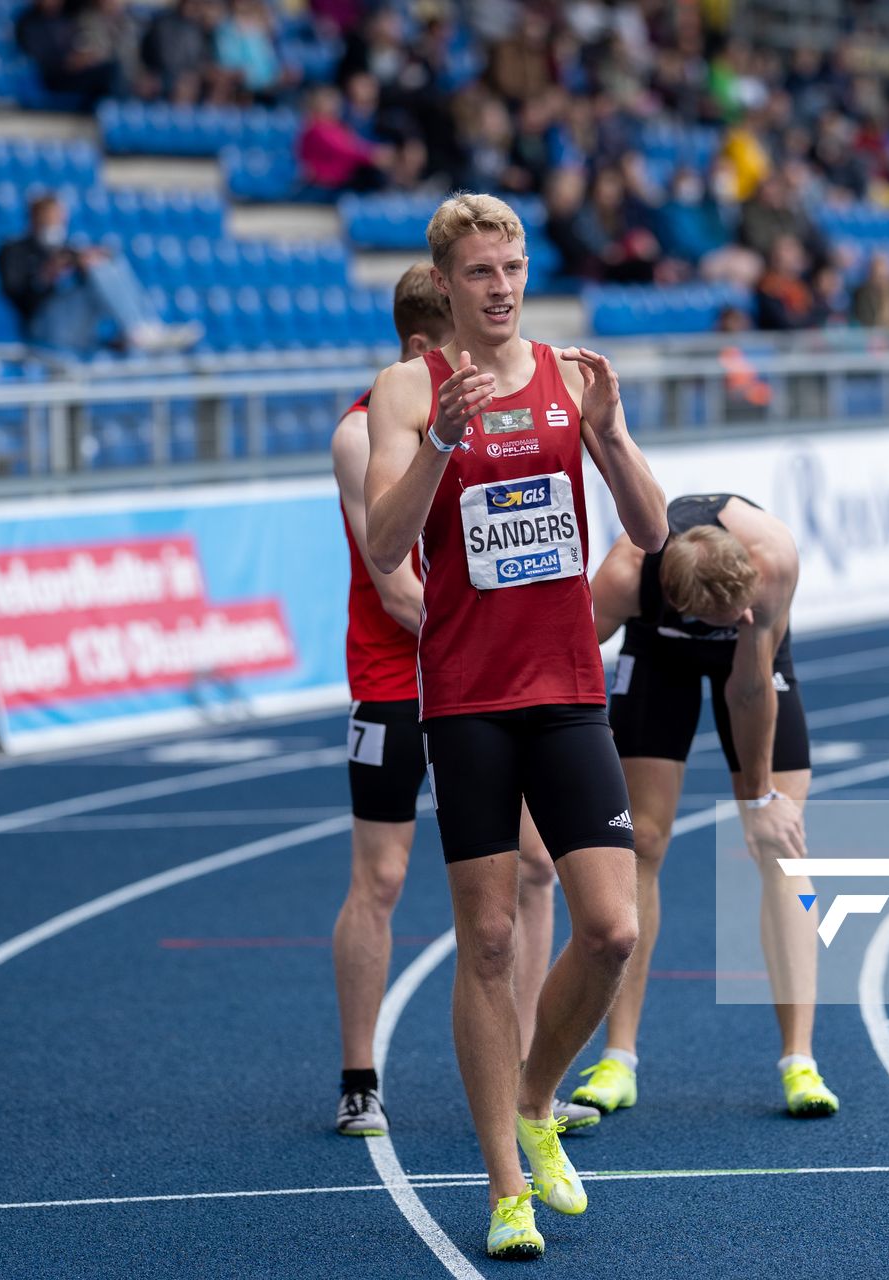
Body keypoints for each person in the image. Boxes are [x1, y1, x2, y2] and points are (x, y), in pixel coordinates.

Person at [361, 193, 667, 1261]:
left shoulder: (573, 375)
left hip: (568, 680)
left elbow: (652, 528)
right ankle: (502, 1186)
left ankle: (537, 1098)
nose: (501, 285)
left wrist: (612, 436)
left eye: (515, 265)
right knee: (489, 937)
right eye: (481, 271)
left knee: (612, 925)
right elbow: (386, 546)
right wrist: (439, 444)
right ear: (443, 284)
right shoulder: (408, 388)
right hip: (468, 694)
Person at [327, 263, 597, 1141]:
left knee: (537, 869)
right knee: (384, 877)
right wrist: (477, 641)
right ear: (421, 345)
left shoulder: (506, 397)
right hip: (396, 676)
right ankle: (360, 1074)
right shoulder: (366, 431)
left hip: (485, 681)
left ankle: (526, 1072)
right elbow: (398, 581)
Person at [575, 494, 838, 1121]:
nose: (740, 611)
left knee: (779, 846)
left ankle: (800, 1060)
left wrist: (761, 800)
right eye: (724, 613)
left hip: (754, 659)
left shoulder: (769, 565)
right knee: (641, 842)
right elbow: (570, 673)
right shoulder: (622, 578)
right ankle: (619, 1058)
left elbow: (750, 692)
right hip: (657, 655)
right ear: (683, 605)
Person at [0, 194, 201, 355]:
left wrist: (83, 263)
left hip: (77, 327)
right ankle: (136, 330)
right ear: (34, 218)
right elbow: (13, 292)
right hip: (42, 326)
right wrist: (45, 277)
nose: (55, 225)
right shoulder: (13, 250)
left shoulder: (66, 249)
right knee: (98, 267)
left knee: (108, 262)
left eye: (59, 219)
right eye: (49, 219)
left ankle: (144, 326)